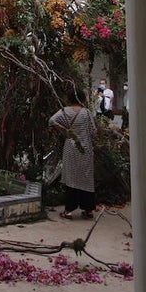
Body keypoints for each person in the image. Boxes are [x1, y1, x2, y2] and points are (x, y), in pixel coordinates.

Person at [49, 86, 96, 219]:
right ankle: (88, 210)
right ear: (82, 99)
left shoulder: (64, 112)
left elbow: (51, 121)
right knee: (86, 178)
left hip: (70, 147)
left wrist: (65, 130)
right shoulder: (86, 113)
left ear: (69, 98)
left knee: (71, 178)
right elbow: (93, 131)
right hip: (85, 148)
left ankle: (69, 210)